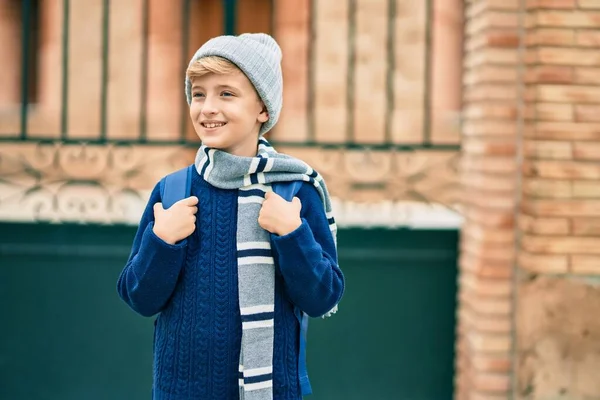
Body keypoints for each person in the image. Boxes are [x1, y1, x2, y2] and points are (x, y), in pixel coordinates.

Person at [117, 33, 345, 400]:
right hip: (181, 391)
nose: (207, 107)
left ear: (263, 109)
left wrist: (292, 234)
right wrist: (162, 242)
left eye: (226, 93)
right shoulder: (173, 191)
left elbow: (323, 298)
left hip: (271, 390)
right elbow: (139, 298)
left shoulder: (293, 192)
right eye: (199, 93)